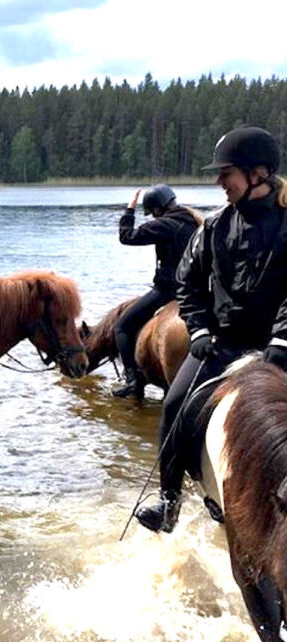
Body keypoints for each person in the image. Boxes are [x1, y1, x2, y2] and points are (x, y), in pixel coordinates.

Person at [136, 126, 287, 533]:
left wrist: (281, 336)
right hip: (223, 344)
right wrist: (199, 330)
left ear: (257, 174)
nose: (219, 182)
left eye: (226, 173)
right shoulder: (215, 226)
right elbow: (187, 283)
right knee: (174, 407)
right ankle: (169, 501)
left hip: (280, 349)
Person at [113, 184, 202, 398]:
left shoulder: (165, 225)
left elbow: (127, 236)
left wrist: (130, 210)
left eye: (151, 213)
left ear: (156, 209)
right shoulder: (194, 220)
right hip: (195, 289)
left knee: (122, 327)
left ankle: (132, 380)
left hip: (169, 290)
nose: (152, 217)